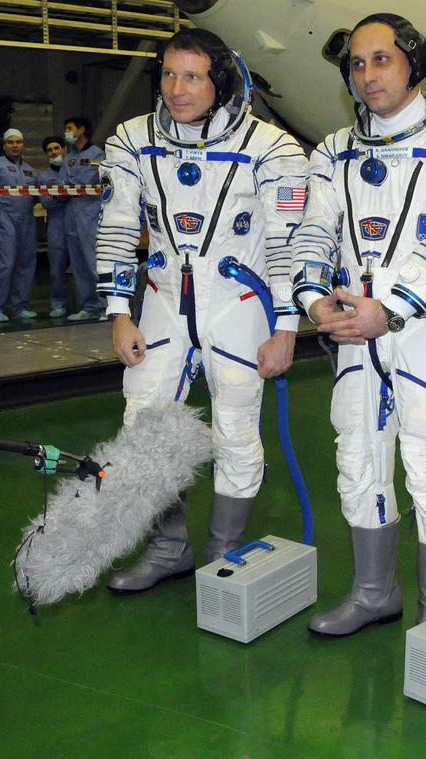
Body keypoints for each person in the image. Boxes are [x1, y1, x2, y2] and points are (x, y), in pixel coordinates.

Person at [290, 14, 426, 635]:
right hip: (357, 327)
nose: (367, 75)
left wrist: (391, 306)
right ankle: (372, 592)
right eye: (357, 64)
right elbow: (312, 230)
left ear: (414, 61)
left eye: (381, 59)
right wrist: (312, 300)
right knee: (356, 454)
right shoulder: (334, 151)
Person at [96, 28, 307, 591]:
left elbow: (288, 243)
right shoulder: (132, 140)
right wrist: (120, 310)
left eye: (192, 76)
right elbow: (118, 227)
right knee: (143, 423)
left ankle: (222, 553)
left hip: (239, 302)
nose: (176, 88)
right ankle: (168, 548)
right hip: (164, 298)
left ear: (221, 80)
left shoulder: (271, 148)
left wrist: (286, 326)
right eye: (167, 73)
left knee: (235, 428)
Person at [0, 129, 39, 322]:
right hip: (4, 217)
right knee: (6, 264)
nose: (15, 146)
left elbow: (37, 193)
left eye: (18, 142)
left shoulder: (31, 169)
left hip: (27, 218)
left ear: (23, 145)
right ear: (4, 145)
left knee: (26, 262)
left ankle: (20, 307)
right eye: (10, 142)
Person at [60, 116, 105, 322]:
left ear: (81, 129)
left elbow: (90, 180)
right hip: (71, 213)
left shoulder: (98, 154)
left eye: (70, 128)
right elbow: (61, 183)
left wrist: (71, 184)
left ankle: (107, 306)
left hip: (90, 213)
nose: (67, 132)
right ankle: (89, 305)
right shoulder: (68, 158)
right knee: (77, 262)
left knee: (93, 260)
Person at [38, 135, 71, 318]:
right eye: (50, 150)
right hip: (56, 223)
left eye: (57, 148)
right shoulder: (43, 177)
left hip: (77, 221)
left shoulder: (72, 169)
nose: (54, 152)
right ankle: (58, 303)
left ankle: (90, 304)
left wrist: (59, 196)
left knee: (84, 265)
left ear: (63, 150)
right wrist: (64, 197)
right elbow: (46, 202)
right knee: (56, 266)